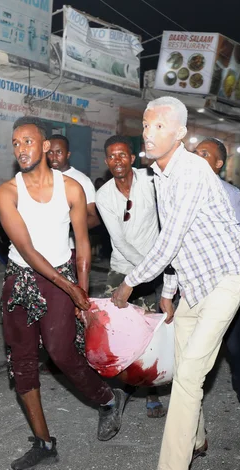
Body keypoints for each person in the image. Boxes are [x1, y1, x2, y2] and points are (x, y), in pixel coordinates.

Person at [111, 97, 240, 470]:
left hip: (228, 277)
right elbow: (178, 243)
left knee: (191, 372)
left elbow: (169, 240)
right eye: (145, 125)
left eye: (159, 127)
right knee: (182, 362)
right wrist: (171, 292)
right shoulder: (159, 175)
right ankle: (197, 440)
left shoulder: (190, 170)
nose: (148, 133)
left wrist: (130, 283)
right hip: (195, 280)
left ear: (180, 133)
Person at [0, 116, 126, 470]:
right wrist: (71, 289)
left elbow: (83, 246)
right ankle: (44, 442)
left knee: (61, 352)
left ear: (45, 148)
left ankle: (107, 398)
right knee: (22, 364)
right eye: (16, 143)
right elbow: (25, 248)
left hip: (63, 276)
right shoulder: (7, 192)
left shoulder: (71, 188)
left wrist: (80, 290)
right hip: (22, 280)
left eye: (28, 142)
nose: (21, 149)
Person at [96, 135, 166, 418]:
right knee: (116, 332)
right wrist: (147, 270)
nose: (117, 161)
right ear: (106, 162)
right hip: (124, 266)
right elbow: (120, 241)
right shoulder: (103, 196)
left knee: (154, 332)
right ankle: (120, 391)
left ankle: (152, 391)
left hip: (157, 265)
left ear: (132, 158)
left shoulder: (150, 181)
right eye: (112, 156)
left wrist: (159, 266)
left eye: (122, 155)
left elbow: (166, 217)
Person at [194, 138, 240, 425]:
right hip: (196, 282)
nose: (197, 158)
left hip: (229, 283)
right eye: (195, 153)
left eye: (205, 154)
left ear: (219, 164)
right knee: (193, 347)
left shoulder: (230, 194)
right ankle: (190, 409)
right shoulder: (180, 191)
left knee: (235, 345)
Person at [47, 134, 100, 229]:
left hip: (70, 242)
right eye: (50, 152)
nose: (54, 157)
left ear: (68, 155)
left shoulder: (82, 180)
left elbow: (94, 218)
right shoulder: (43, 177)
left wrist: (67, 228)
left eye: (59, 152)